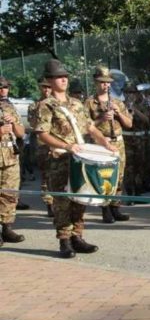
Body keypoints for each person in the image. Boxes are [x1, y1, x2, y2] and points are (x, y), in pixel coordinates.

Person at [32, 59, 118, 258]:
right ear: (49, 81)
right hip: (60, 159)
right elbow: (42, 134)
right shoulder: (45, 106)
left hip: (79, 159)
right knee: (62, 201)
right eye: (58, 77)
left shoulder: (76, 104)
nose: (63, 80)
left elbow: (90, 127)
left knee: (80, 196)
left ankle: (77, 237)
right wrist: (66, 146)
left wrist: (105, 143)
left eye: (64, 77)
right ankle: (64, 240)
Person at [85, 66, 132, 223]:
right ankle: (105, 209)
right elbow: (85, 126)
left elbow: (129, 124)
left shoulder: (117, 102)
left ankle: (115, 207)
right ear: (96, 82)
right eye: (102, 82)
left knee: (119, 176)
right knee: (104, 176)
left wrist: (118, 113)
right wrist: (101, 119)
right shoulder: (90, 103)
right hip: (101, 143)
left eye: (108, 83)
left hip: (118, 142)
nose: (106, 85)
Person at [0, 76, 26, 247]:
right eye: (0, 88)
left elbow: (21, 133)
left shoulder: (9, 106)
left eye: (5, 87)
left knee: (10, 194)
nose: (3, 91)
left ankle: (6, 227)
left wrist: (13, 123)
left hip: (10, 155)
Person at [27, 76, 54, 217]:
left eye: (49, 87)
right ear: (40, 88)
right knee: (46, 176)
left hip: (57, 145)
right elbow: (32, 124)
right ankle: (49, 204)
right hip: (42, 145)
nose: (47, 90)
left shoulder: (57, 104)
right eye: (44, 87)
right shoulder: (34, 106)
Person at [122, 82, 150, 201]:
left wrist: (135, 110)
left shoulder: (142, 105)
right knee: (129, 167)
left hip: (139, 140)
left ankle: (138, 192)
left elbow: (148, 120)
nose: (130, 95)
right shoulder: (120, 105)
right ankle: (130, 194)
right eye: (127, 92)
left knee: (140, 165)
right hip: (127, 139)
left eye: (132, 92)